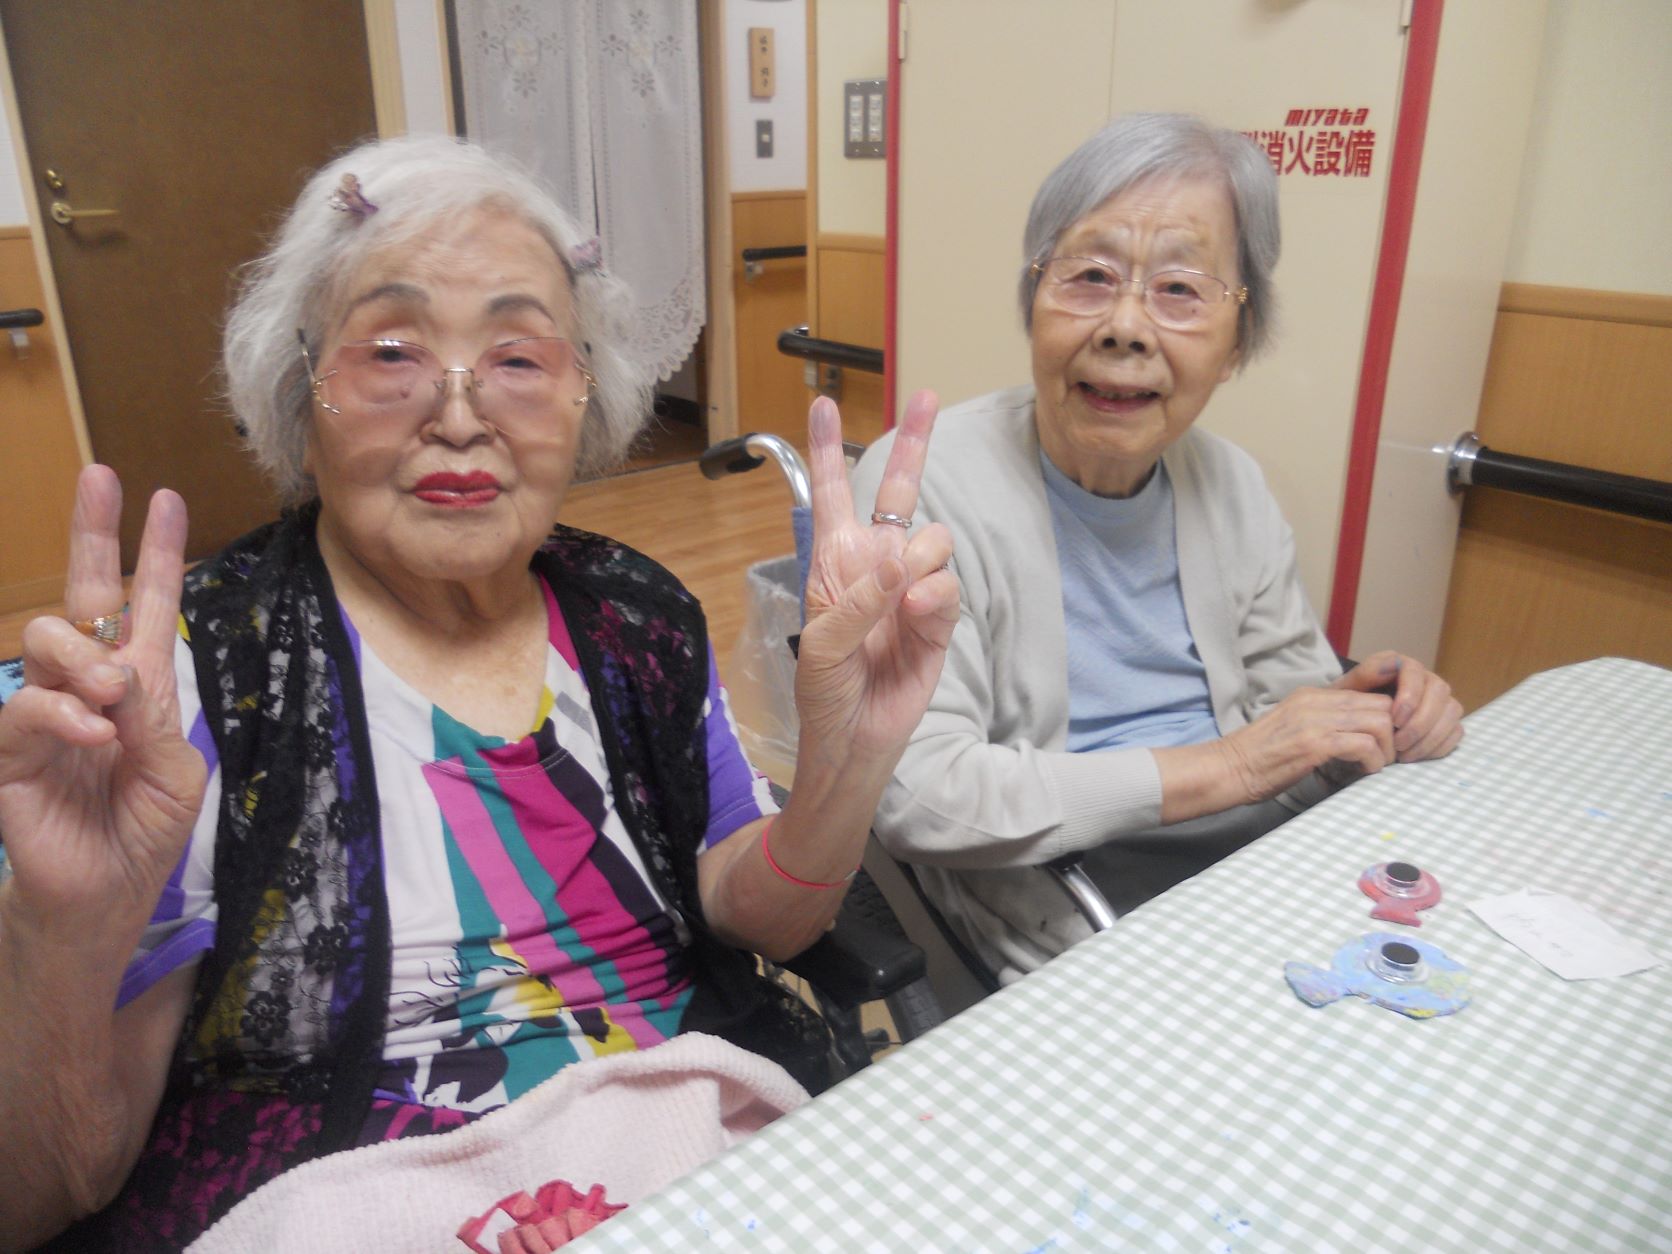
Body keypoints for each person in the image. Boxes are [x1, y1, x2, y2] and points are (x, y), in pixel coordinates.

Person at [0, 135, 958, 1251]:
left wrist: (847, 763)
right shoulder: (191, 679)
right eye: (392, 352)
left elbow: (762, 916)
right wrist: (61, 933)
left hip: (688, 1154)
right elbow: (46, 1197)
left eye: (517, 358)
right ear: (299, 391)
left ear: (585, 392)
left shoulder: (636, 615)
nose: (459, 416)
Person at [850, 113, 1463, 987]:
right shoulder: (924, 486)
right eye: (1090, 277)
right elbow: (922, 796)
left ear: (1237, 341)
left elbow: (1291, 710)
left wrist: (1371, 716)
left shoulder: (1233, 485)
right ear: (1034, 304)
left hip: (1262, 866)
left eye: (1179, 289)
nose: (1126, 327)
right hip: (1072, 903)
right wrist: (1238, 763)